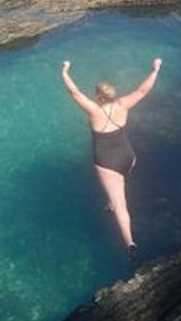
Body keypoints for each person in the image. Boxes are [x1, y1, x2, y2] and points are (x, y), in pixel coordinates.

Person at [60, 58, 162, 252]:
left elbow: (75, 92)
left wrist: (65, 72)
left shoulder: (94, 111)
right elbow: (142, 90)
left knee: (120, 205)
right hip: (128, 158)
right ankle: (111, 200)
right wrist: (155, 70)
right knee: (118, 186)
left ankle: (129, 241)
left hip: (108, 164)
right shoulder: (123, 105)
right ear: (112, 94)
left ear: (98, 96)